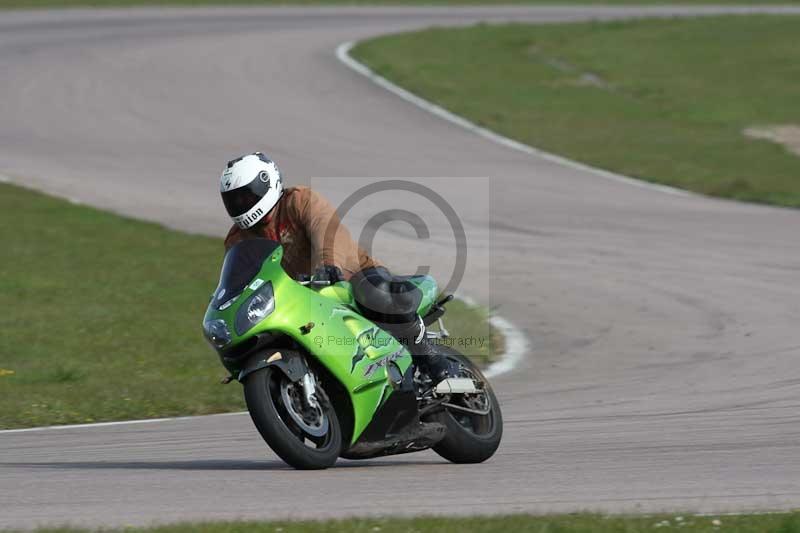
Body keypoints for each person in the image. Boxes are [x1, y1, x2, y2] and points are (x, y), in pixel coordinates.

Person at [220, 152, 454, 383]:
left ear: (266, 184)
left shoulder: (299, 201)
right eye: (233, 200)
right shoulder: (237, 240)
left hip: (351, 275)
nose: (240, 205)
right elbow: (239, 281)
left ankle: (434, 362)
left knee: (376, 294)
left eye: (245, 197)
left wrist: (329, 265)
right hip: (301, 303)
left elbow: (327, 229)